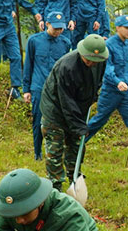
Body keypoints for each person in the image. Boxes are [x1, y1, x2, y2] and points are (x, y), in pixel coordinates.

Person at [40, 34, 108, 191]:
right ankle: (55, 186)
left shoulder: (99, 61)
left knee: (77, 146)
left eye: (95, 60)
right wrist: (78, 126)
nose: (91, 63)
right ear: (82, 53)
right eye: (88, 59)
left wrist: (93, 96)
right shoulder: (67, 67)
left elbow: (97, 81)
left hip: (77, 107)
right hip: (55, 109)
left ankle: (75, 179)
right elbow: (67, 102)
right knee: (55, 149)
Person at [23, 11, 71, 160]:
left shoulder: (65, 43)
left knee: (59, 122)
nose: (58, 31)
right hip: (38, 87)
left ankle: (56, 151)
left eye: (61, 28)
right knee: (38, 121)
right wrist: (26, 90)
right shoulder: (34, 41)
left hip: (57, 89)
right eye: (55, 28)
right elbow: (28, 65)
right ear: (47, 24)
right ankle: (37, 153)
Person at [87, 14, 128, 142]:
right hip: (111, 91)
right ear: (117, 28)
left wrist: (124, 83)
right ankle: (77, 143)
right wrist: (117, 82)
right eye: (126, 28)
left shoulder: (127, 44)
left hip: (126, 91)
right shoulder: (108, 45)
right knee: (99, 121)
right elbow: (107, 69)